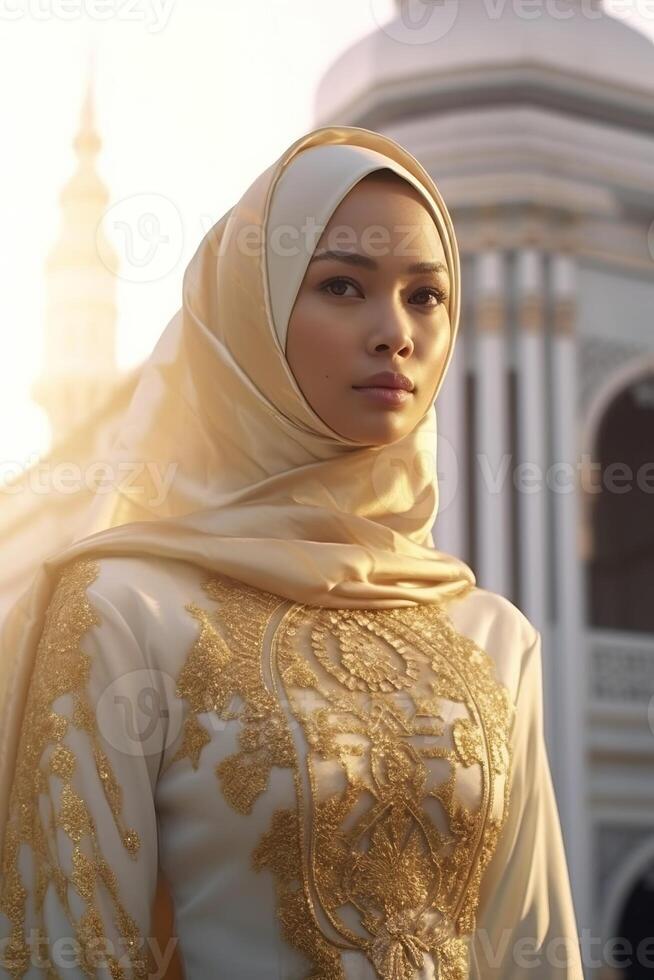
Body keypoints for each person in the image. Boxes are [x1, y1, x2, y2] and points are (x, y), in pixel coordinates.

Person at [0, 126, 584, 979]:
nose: (395, 333)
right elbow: (72, 948)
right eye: (343, 285)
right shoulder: (120, 610)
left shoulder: (492, 641)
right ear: (251, 313)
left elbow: (534, 954)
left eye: (426, 296)